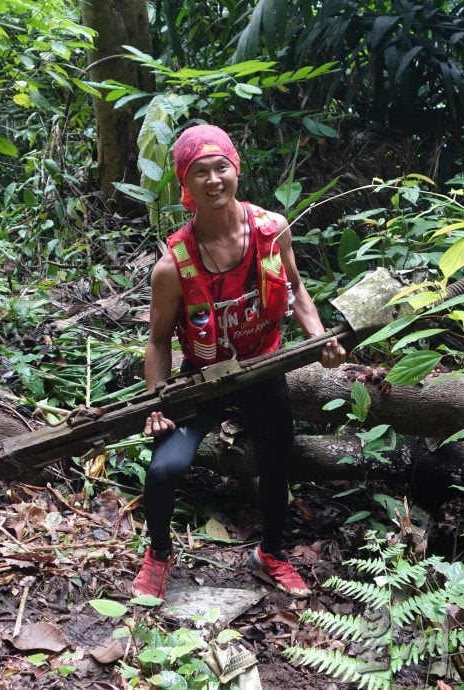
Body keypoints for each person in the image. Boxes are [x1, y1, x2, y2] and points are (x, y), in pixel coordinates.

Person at [132, 124, 346, 600]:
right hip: (202, 378)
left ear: (236, 170)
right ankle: (159, 554)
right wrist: (156, 402)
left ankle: (271, 553)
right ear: (184, 186)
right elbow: (159, 341)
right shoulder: (173, 266)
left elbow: (297, 291)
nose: (213, 180)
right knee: (166, 466)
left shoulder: (273, 231)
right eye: (199, 172)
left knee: (277, 463)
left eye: (220, 167)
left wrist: (319, 341)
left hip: (263, 367)